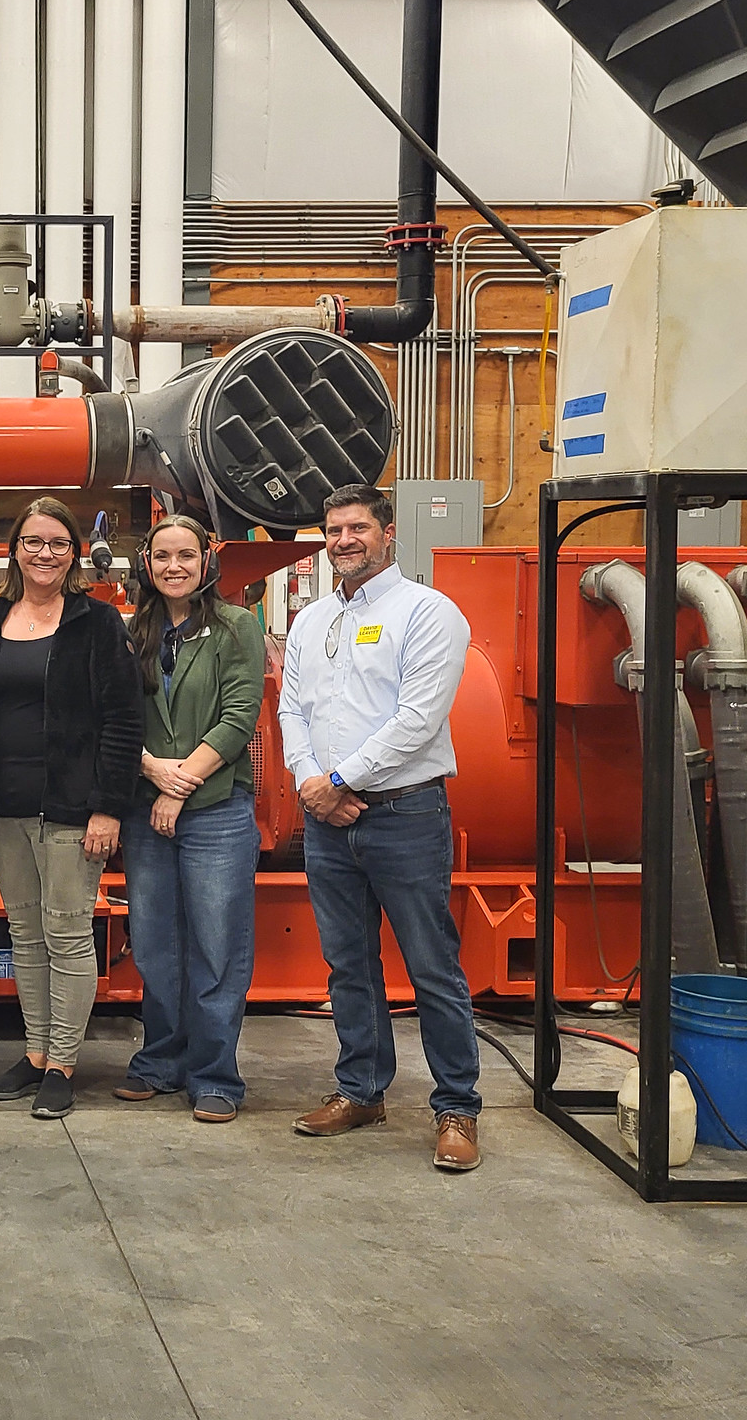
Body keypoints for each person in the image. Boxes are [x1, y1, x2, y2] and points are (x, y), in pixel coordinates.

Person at [277, 483, 482, 1172]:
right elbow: (291, 713)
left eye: (356, 528)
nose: (343, 541)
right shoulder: (309, 621)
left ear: (387, 532)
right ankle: (360, 1090)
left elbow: (417, 719)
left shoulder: (427, 613)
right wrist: (313, 786)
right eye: (332, 530)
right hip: (327, 825)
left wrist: (338, 782)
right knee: (347, 966)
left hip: (404, 815)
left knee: (431, 967)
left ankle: (457, 1108)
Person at [0, 497, 143, 1120]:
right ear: (15, 549)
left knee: (68, 932)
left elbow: (122, 720)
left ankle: (63, 1062)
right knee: (25, 936)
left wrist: (108, 808)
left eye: (58, 543)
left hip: (72, 810)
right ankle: (34, 1054)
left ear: (75, 552)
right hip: (3, 809)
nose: (45, 553)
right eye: (33, 542)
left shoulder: (98, 623)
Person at [114, 516, 265, 1122]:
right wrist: (153, 772)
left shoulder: (235, 628)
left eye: (186, 555)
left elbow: (238, 717)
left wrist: (180, 785)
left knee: (216, 946)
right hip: (146, 800)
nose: (174, 566)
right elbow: (117, 716)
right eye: (161, 556)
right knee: (154, 942)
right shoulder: (134, 633)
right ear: (146, 565)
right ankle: (160, 1061)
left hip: (216, 809)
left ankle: (215, 1076)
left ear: (207, 561)